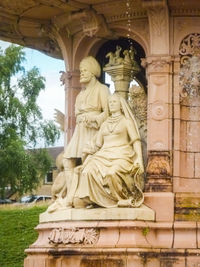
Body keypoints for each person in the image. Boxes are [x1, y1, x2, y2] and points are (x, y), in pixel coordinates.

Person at [47, 56, 109, 212]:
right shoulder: (80, 95)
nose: (81, 74)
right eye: (80, 71)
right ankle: (71, 196)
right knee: (68, 160)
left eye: (84, 71)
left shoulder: (102, 90)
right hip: (81, 131)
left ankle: (83, 195)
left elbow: (108, 113)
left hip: (94, 130)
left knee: (87, 161)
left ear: (93, 72)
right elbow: (76, 114)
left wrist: (95, 118)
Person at [72, 94, 144, 209]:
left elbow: (136, 141)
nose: (111, 104)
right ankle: (95, 200)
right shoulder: (105, 124)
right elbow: (97, 145)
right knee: (87, 171)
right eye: (110, 102)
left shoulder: (126, 121)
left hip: (122, 155)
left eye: (114, 102)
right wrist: (86, 155)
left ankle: (121, 199)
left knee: (112, 173)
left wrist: (139, 159)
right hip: (103, 155)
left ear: (121, 105)